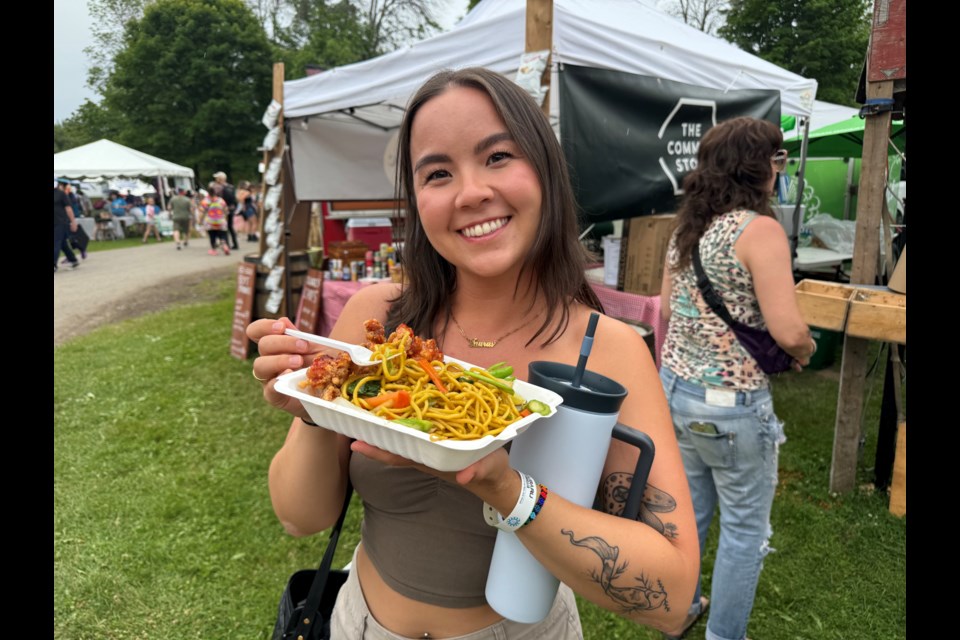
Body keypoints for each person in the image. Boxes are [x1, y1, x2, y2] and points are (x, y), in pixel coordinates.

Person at [247, 67, 698, 640]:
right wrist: (315, 399)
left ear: (545, 169)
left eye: (497, 157)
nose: (470, 193)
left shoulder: (606, 351)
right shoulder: (380, 319)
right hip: (360, 622)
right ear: (417, 199)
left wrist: (505, 489)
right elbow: (299, 515)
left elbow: (672, 596)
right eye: (438, 172)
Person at [658, 117, 817, 640]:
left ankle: (679, 609)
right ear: (757, 167)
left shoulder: (686, 229)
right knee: (745, 529)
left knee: (690, 515)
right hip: (732, 406)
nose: (780, 169)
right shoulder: (759, 231)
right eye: (777, 159)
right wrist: (807, 349)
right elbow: (789, 330)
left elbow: (664, 312)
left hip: (675, 391)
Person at [54, 180, 80, 272]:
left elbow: (68, 208)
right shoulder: (61, 194)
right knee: (61, 243)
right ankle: (73, 259)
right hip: (58, 222)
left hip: (60, 222)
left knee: (56, 242)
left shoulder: (61, 194)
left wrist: (73, 221)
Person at [200, 183, 230, 255]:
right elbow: (226, 210)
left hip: (210, 222)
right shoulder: (221, 200)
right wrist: (225, 218)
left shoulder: (205, 201)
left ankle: (213, 250)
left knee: (212, 236)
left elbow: (202, 211)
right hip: (220, 220)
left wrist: (200, 220)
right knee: (222, 234)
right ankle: (224, 244)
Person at [213, 171, 240, 250]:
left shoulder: (217, 187)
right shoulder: (231, 187)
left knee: (223, 227)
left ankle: (226, 244)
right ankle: (235, 244)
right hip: (231, 208)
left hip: (222, 209)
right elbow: (235, 199)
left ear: (219, 179)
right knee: (230, 227)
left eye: (216, 178)